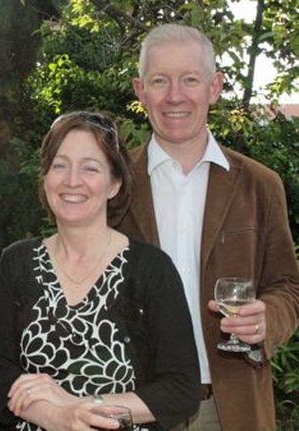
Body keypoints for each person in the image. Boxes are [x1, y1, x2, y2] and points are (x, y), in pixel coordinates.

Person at [115, 23, 299, 431]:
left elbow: (288, 285)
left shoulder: (260, 185)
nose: (175, 96)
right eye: (160, 80)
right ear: (140, 90)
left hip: (231, 407)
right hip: (134, 405)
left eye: (190, 80)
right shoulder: (112, 185)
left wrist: (270, 317)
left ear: (214, 87)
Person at [0, 111, 200, 431]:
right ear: (45, 178)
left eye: (90, 167)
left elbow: (181, 390)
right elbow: (0, 370)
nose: (72, 180)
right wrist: (57, 417)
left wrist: (78, 407)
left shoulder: (151, 270)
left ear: (114, 183)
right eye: (60, 165)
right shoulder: (16, 263)